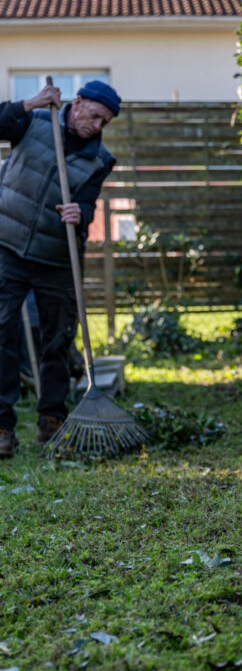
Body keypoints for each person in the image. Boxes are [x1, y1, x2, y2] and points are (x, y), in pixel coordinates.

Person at [0, 79, 120, 457]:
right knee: (2, 334)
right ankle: (2, 428)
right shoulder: (33, 122)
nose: (97, 125)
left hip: (56, 258)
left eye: (105, 121)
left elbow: (88, 204)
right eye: (96, 115)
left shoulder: (100, 160)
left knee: (57, 341)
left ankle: (51, 421)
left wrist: (79, 214)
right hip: (7, 245)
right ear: (79, 103)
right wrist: (29, 102)